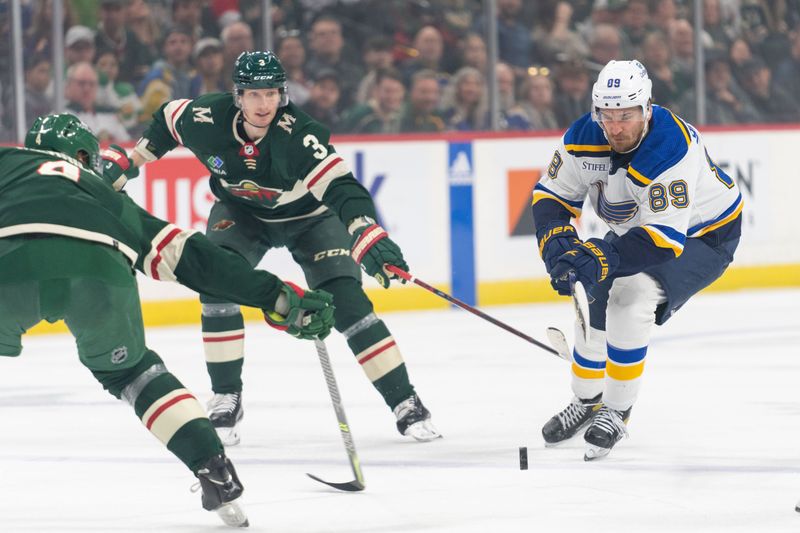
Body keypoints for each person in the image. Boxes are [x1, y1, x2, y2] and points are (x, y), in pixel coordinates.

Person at [0, 113, 336, 526]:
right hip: (99, 274)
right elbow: (197, 262)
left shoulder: (6, 164)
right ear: (84, 155)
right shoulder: (110, 199)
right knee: (133, 375)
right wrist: (279, 297)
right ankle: (211, 465)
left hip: (7, 264)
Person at [129, 50, 441, 446]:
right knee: (215, 283)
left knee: (347, 302)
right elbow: (168, 118)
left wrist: (365, 229)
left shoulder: (298, 135)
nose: (265, 104)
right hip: (242, 215)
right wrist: (132, 160)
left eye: (273, 94)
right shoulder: (206, 117)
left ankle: (405, 401)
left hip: (312, 220)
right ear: (238, 96)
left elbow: (342, 187)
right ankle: (226, 396)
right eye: (255, 95)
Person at [532, 60, 743, 460]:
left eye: (626, 116)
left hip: (704, 234)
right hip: (639, 229)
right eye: (606, 116)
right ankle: (587, 400)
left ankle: (616, 410)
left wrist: (597, 255)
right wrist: (556, 245)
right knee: (593, 293)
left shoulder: (671, 145)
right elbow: (552, 196)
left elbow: (662, 240)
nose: (615, 128)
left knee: (631, 298)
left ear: (647, 107)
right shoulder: (582, 136)